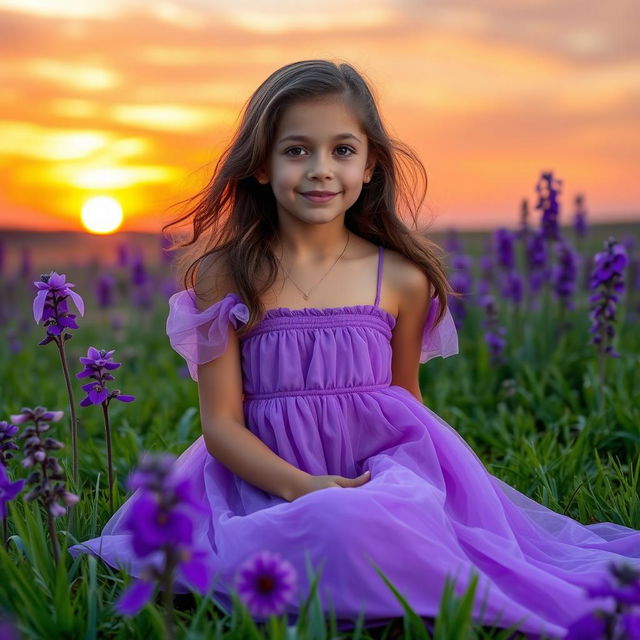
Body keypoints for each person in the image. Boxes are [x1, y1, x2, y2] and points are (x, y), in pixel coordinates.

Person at [69, 59, 640, 638]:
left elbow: (408, 408)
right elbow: (220, 424)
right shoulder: (227, 275)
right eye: (296, 150)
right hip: (264, 484)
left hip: (379, 475)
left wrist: (415, 497)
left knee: (368, 525)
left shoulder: (402, 279)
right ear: (261, 166)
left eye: (342, 150)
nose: (321, 170)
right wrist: (301, 487)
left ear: (370, 165)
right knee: (323, 531)